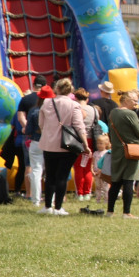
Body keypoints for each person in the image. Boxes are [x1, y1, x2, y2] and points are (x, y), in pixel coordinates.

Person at [37, 78, 91, 215]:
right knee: (62, 176)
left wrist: (48, 133)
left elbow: (41, 124)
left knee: (50, 176)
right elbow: (79, 126)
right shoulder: (74, 105)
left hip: (49, 144)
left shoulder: (47, 103)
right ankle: (58, 208)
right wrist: (85, 144)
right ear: (70, 90)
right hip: (67, 146)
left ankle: (47, 206)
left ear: (57, 89)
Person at [107, 90, 139, 219]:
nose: (136, 103)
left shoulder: (113, 112)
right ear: (126, 100)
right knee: (128, 180)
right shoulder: (130, 114)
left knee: (115, 181)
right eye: (134, 100)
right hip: (131, 151)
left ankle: (110, 211)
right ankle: (126, 213)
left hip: (117, 150)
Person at [24, 84, 53, 207]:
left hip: (36, 143)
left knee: (36, 171)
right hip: (51, 143)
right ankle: (51, 199)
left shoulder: (34, 111)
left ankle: (35, 199)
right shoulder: (53, 111)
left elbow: (28, 130)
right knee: (51, 171)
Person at [72, 88, 101, 202]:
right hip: (90, 140)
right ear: (87, 98)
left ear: (76, 98)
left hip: (77, 141)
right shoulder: (94, 110)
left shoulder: (75, 108)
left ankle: (79, 193)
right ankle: (87, 193)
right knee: (88, 168)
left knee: (78, 168)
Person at [90, 134, 111, 205]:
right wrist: (92, 170)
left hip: (103, 173)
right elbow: (92, 163)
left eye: (101, 143)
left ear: (106, 144)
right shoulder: (95, 153)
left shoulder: (106, 153)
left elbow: (105, 164)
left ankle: (106, 200)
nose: (99, 145)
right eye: (98, 143)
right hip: (96, 173)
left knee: (105, 187)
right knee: (98, 187)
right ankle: (98, 199)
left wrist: (100, 171)